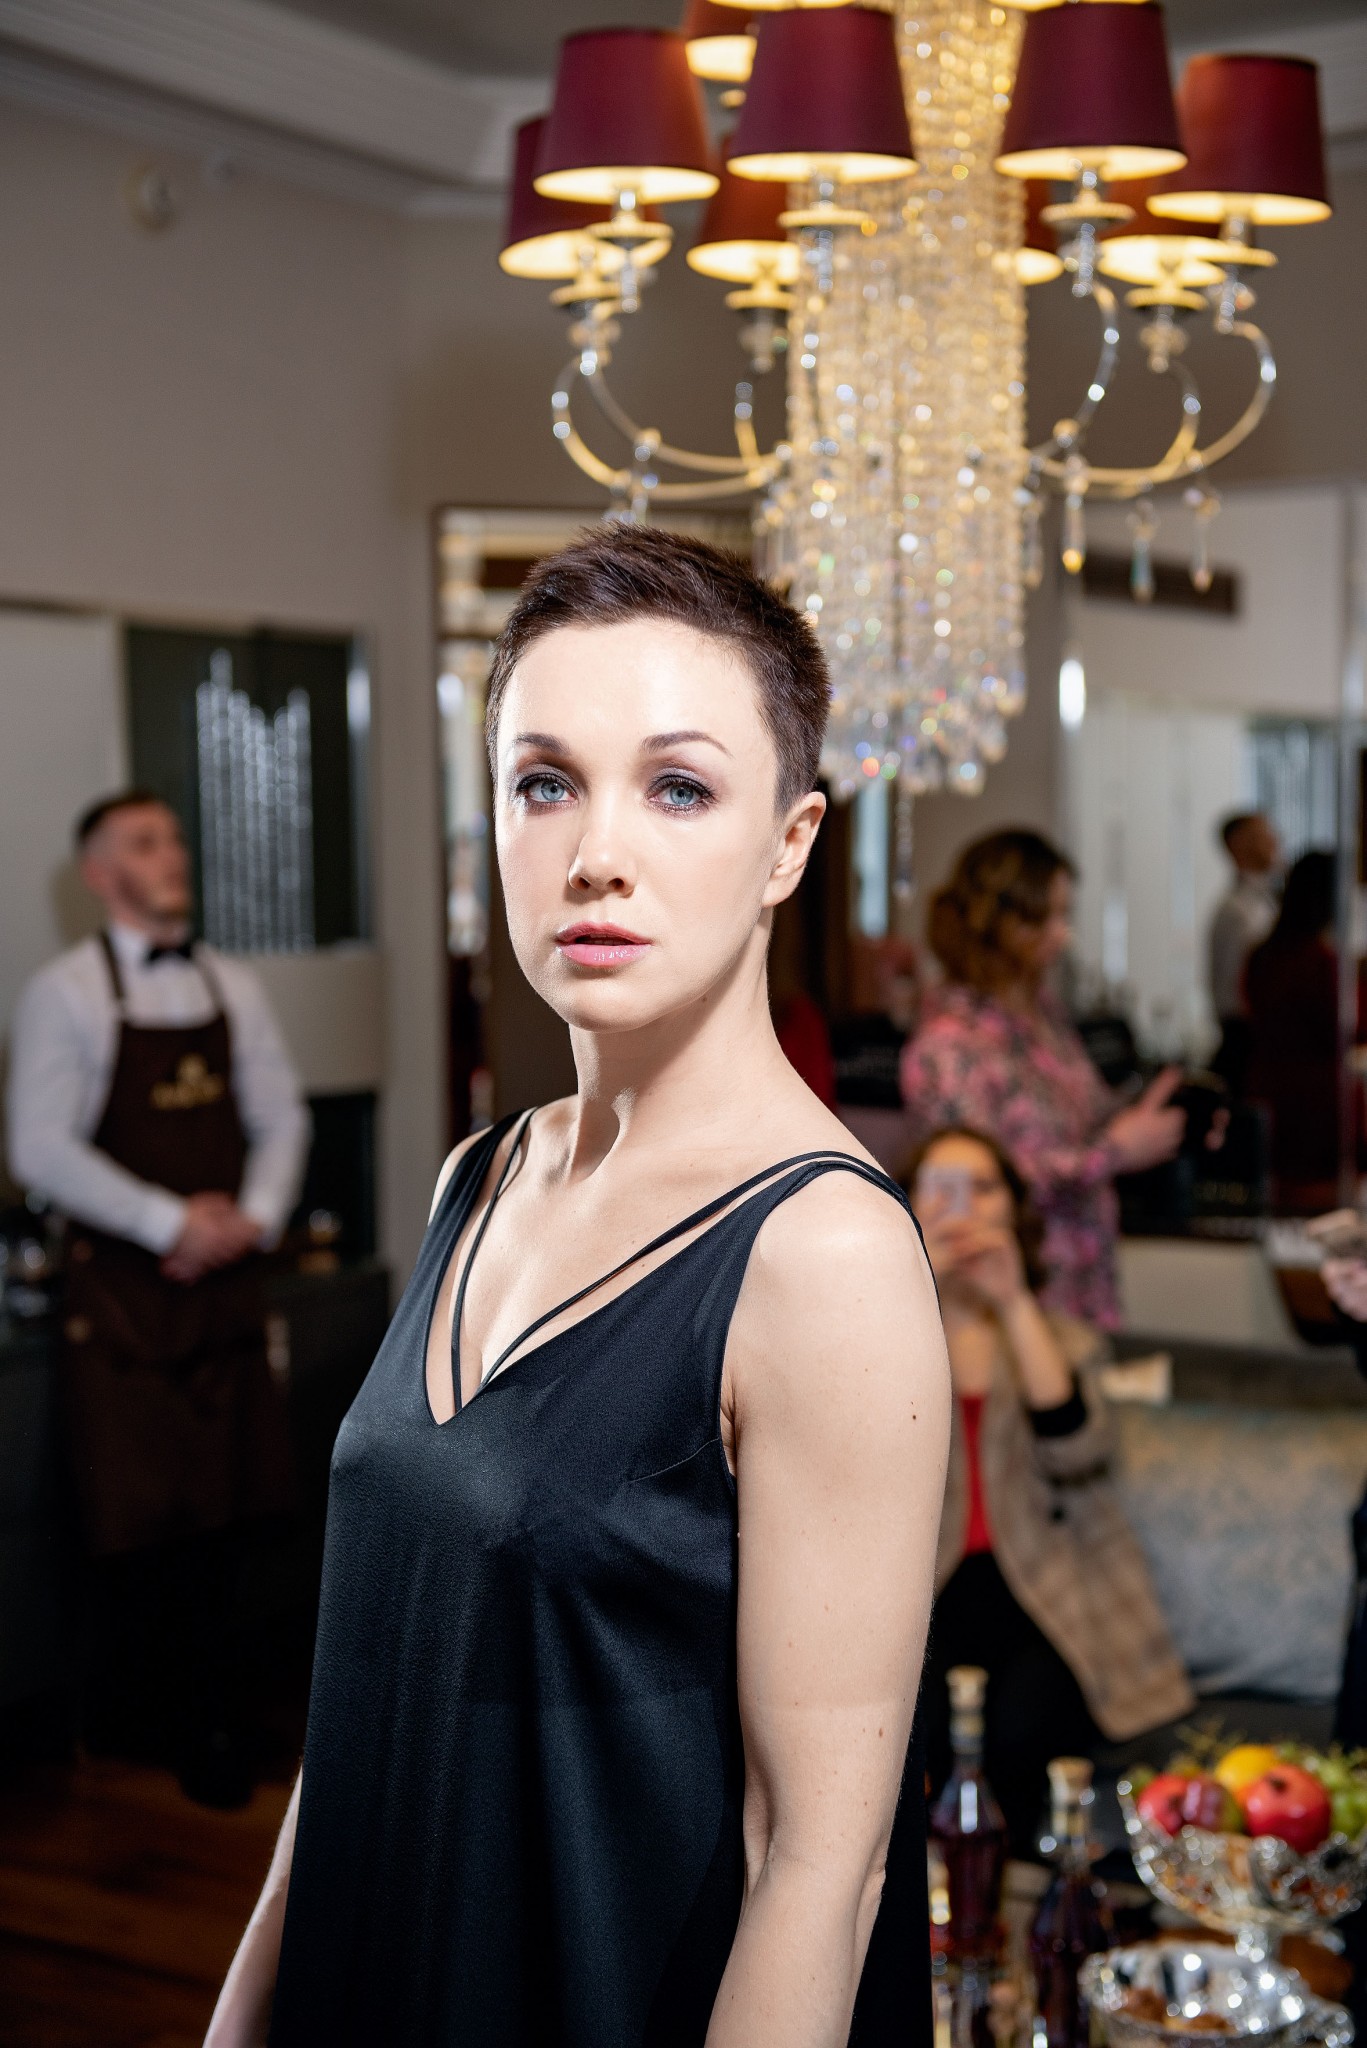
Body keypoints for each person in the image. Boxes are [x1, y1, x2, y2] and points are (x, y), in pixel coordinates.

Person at [207, 526, 949, 2048]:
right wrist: (243, 2010)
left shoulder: (822, 1254)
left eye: (676, 788)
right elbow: (368, 1684)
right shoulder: (476, 1177)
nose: (594, 850)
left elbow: (818, 1864)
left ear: (788, 844)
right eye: (543, 782)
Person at [6, 792, 309, 1803]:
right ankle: (160, 1721)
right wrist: (170, 1222)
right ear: (100, 875)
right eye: (145, 842)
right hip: (125, 1303)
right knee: (144, 1519)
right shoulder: (64, 993)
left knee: (232, 1509)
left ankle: (217, 1710)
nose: (172, 853)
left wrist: (251, 1217)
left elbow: (282, 1116)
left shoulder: (232, 982)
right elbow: (38, 1147)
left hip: (223, 1294)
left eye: (174, 838)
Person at [908, 1125, 1193, 1856]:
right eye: (940, 1189)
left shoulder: (1060, 1338)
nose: (961, 1207)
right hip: (920, 1584)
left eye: (982, 1188)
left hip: (1045, 1580)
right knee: (915, 1725)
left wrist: (1011, 1302)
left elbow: (1078, 1453)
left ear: (1012, 1209)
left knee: (1022, 1728)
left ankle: (1008, 1894)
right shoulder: (878, 1334)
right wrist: (912, 1289)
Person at [899, 830, 1185, 1329]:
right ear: (1003, 922)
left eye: (1064, 915)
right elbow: (979, 1186)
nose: (1063, 934)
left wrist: (1159, 1116)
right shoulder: (947, 1047)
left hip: (1085, 1276)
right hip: (1014, 1292)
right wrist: (1114, 1153)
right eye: (1048, 917)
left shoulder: (1042, 1014)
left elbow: (1085, 1111)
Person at [1244, 850, 1357, 1214]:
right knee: (1320, 1207)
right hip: (1317, 1101)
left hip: (1269, 1087)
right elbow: (1342, 1029)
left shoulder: (1264, 955)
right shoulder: (1320, 963)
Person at [1208, 812, 1280, 1097]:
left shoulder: (1265, 901)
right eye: (1263, 835)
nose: (1274, 841)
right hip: (1247, 1040)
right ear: (1238, 844)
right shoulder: (1235, 910)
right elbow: (1235, 989)